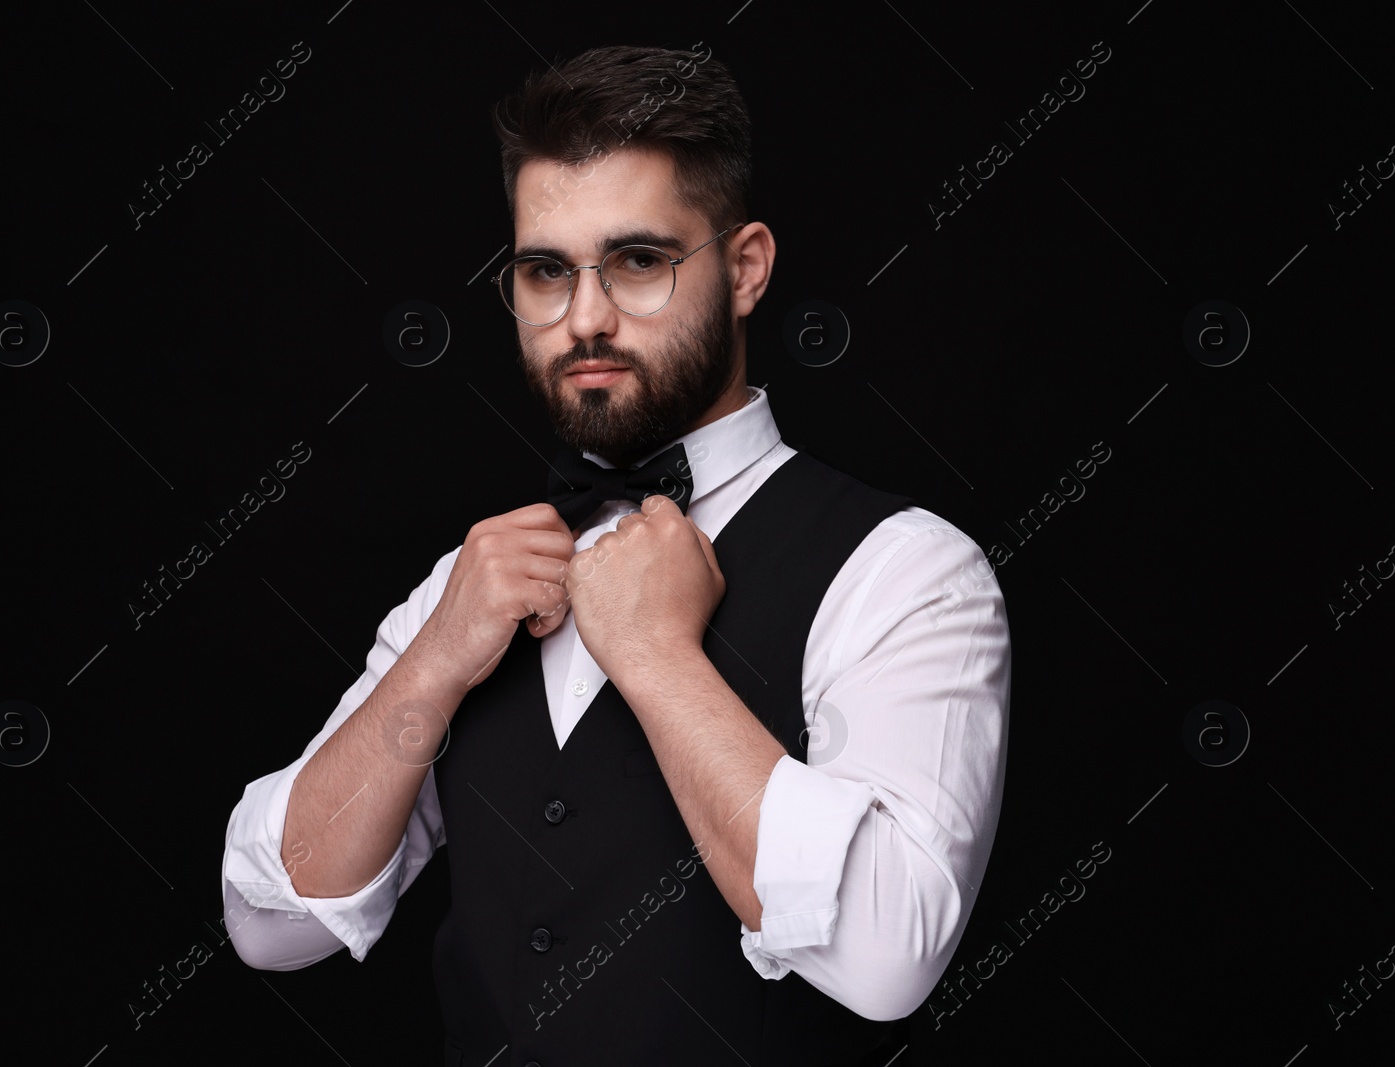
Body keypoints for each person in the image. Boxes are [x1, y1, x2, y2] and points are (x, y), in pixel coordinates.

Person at [222, 43, 1010, 1066]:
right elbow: (271, 923)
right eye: (546, 271)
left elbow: (885, 958)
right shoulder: (470, 587)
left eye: (638, 261)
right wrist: (438, 656)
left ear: (745, 268)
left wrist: (658, 656)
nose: (584, 317)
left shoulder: (904, 571)